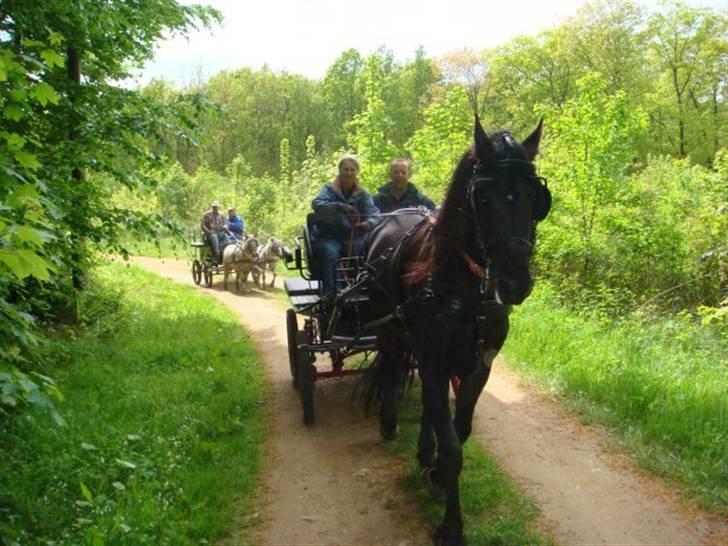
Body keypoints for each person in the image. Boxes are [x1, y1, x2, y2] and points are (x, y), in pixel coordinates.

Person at [311, 155, 379, 293]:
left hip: (354, 238)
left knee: (366, 251)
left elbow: (375, 214)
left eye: (352, 170)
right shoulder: (329, 189)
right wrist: (340, 207)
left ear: (357, 172)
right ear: (339, 171)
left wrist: (367, 224)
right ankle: (333, 293)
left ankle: (363, 289)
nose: (349, 173)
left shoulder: (363, 194)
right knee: (331, 253)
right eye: (345, 169)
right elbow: (318, 205)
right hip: (327, 237)